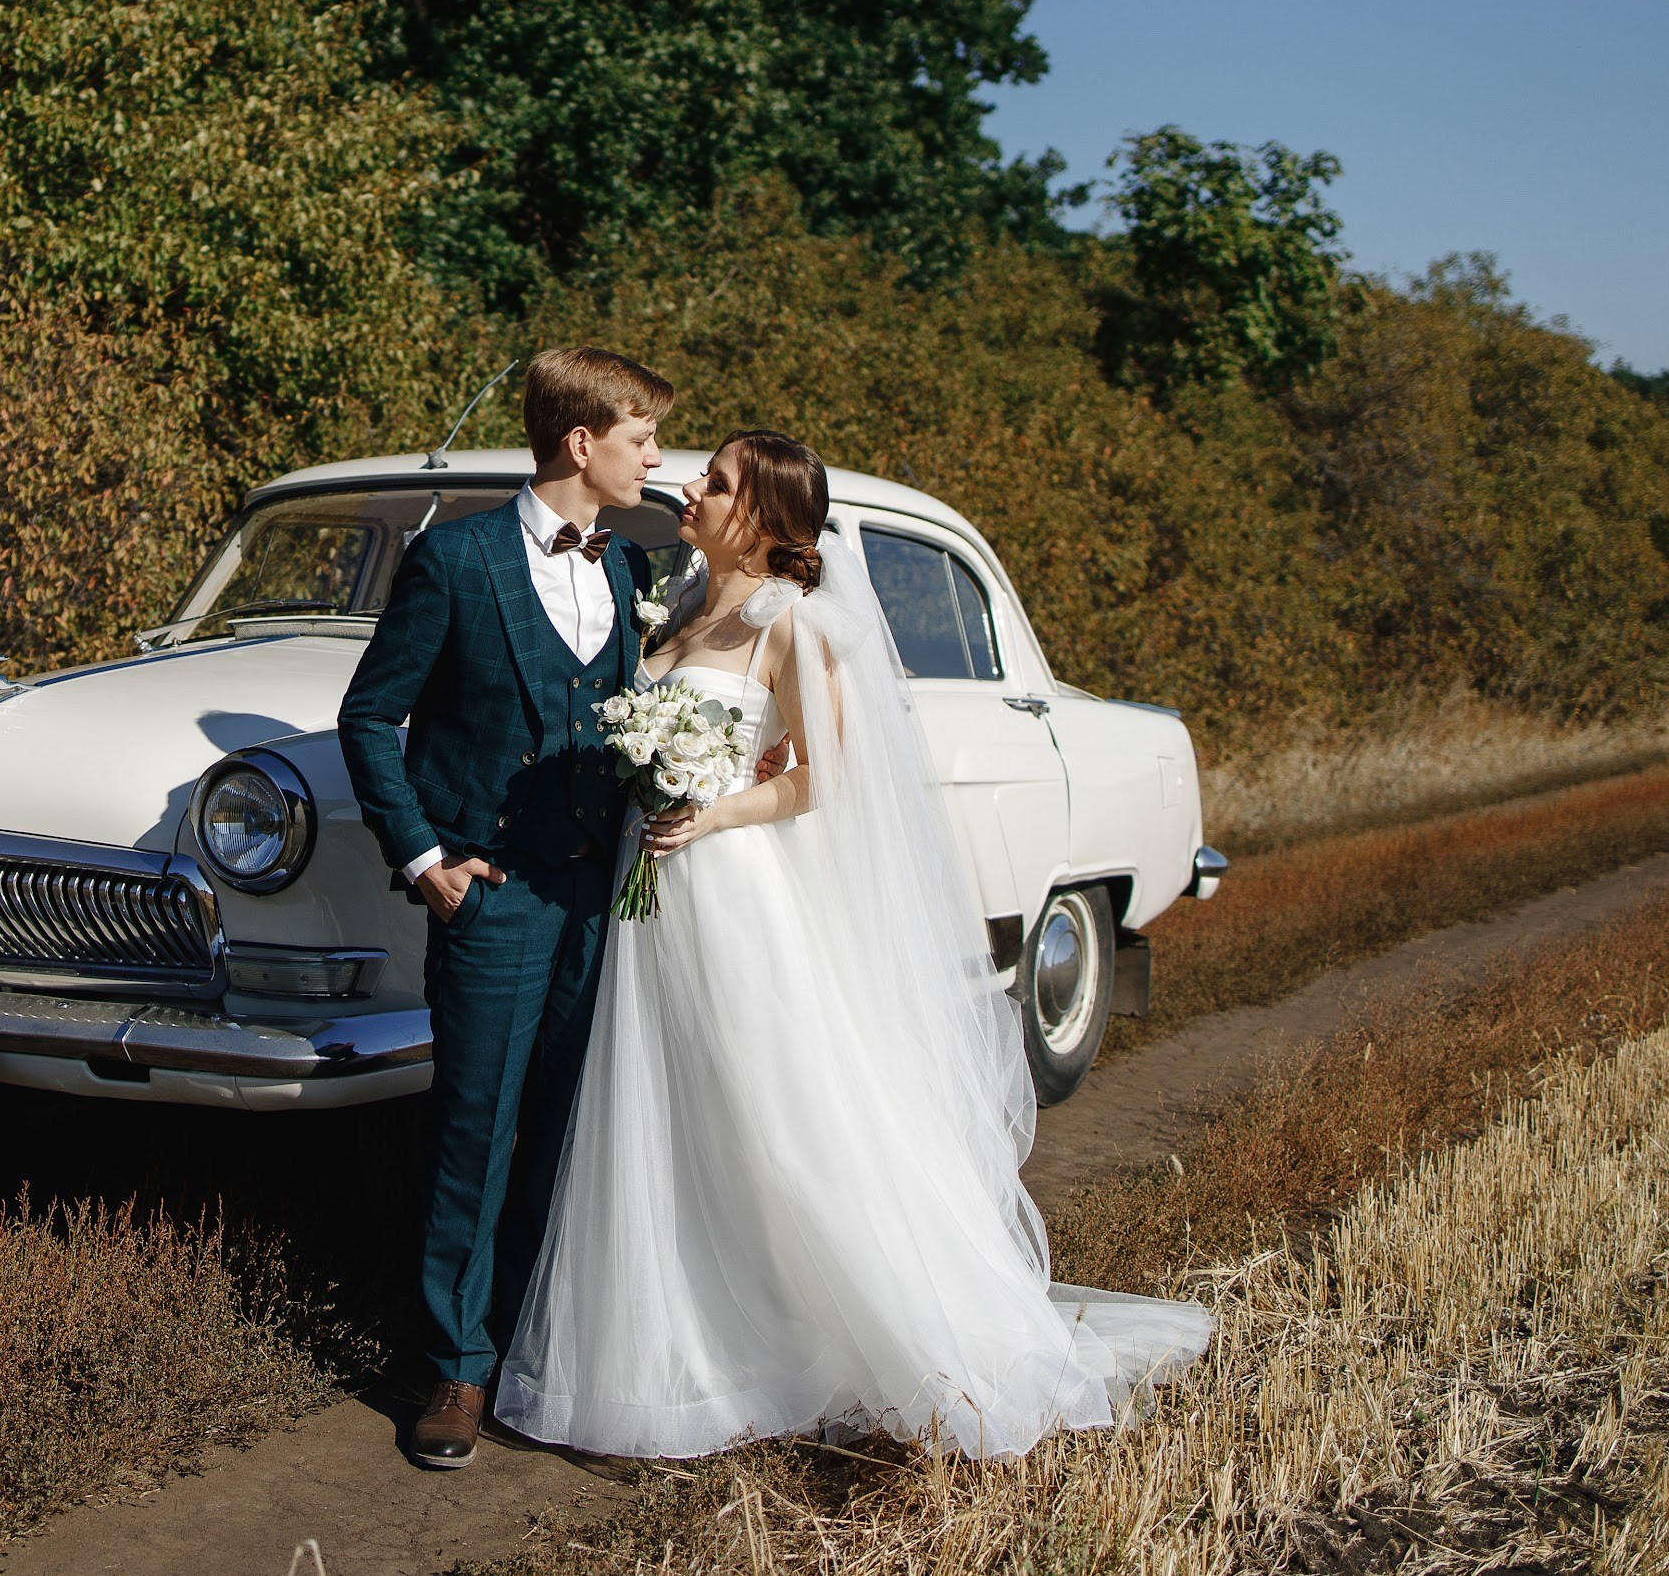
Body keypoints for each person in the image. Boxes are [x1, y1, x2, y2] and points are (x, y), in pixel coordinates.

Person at [493, 431, 1212, 1460]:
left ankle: (852, 1325)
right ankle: (678, 1345)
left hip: (728, 888)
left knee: (771, 1113)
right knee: (660, 1106)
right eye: (703, 475)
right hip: (646, 893)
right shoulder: (679, 603)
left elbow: (823, 775)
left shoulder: (794, 620)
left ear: (767, 519)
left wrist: (714, 812)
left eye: (720, 481)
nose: (692, 486)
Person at [339, 346, 669, 1468]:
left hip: (598, 899)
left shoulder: (629, 571)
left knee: (569, 1132)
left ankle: (530, 1346)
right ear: (582, 443)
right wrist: (422, 855)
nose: (655, 458)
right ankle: (454, 1369)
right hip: (492, 892)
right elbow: (366, 716)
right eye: (641, 438)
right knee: (472, 1133)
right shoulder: (457, 558)